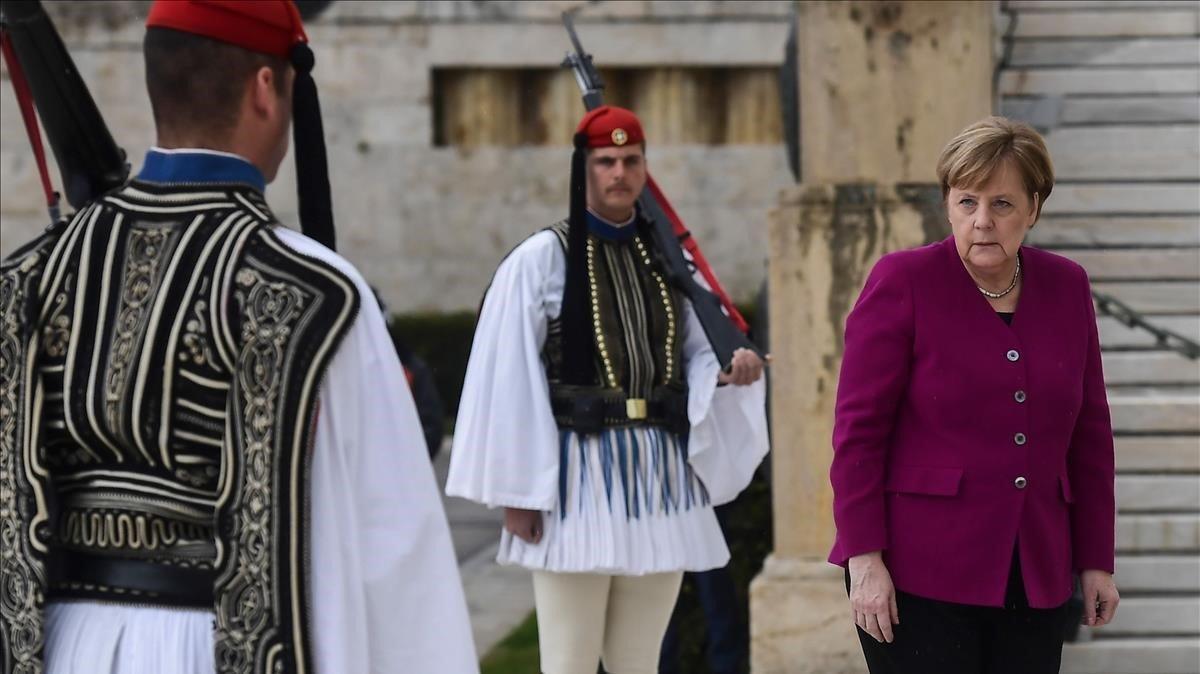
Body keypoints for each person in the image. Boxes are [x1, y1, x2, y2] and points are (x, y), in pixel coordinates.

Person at [0, 2, 476, 672]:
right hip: (219, 648)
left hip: (62, 645)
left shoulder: (32, 275)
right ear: (264, 89)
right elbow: (391, 546)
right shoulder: (313, 291)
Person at [446, 105, 769, 674]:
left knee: (637, 663)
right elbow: (508, 377)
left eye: (631, 160)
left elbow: (698, 350)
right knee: (568, 663)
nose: (619, 172)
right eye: (605, 161)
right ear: (584, 170)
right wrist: (517, 492)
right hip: (577, 477)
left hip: (660, 477)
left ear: (645, 168)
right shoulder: (542, 258)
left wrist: (726, 369)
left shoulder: (669, 260)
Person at [828, 116, 1119, 674]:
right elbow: (858, 433)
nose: (982, 222)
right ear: (947, 205)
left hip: (1034, 568)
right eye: (967, 202)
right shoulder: (903, 280)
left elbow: (1090, 434)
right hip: (918, 571)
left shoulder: (1067, 285)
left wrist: (1095, 560)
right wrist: (864, 558)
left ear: (1034, 207)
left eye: (1003, 204)